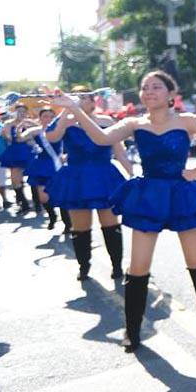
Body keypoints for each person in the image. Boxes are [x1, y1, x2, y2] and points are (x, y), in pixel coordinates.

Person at [51, 71, 196, 351]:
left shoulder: (187, 121)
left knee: (195, 260)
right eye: (145, 88)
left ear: (170, 94)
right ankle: (132, 330)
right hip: (148, 196)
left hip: (180, 194)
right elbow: (102, 139)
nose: (149, 91)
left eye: (156, 87)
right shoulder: (134, 123)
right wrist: (75, 109)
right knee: (138, 266)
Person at [45, 92, 134, 280]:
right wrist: (66, 109)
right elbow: (52, 138)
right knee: (80, 228)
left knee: (111, 224)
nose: (88, 99)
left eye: (89, 96)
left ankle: (117, 266)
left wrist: (132, 174)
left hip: (104, 175)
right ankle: (83, 266)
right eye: (82, 96)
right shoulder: (66, 120)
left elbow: (119, 151)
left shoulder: (106, 121)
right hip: (77, 178)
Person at [21, 107, 65, 229]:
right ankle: (52, 216)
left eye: (51, 116)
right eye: (45, 116)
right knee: (43, 197)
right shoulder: (35, 131)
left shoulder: (60, 129)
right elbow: (21, 138)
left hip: (58, 164)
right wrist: (19, 125)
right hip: (42, 165)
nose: (48, 119)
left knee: (61, 195)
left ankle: (67, 223)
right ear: (40, 118)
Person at [0, 103, 37, 213]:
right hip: (15, 151)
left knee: (34, 177)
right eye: (19, 111)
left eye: (23, 111)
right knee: (15, 179)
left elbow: (37, 136)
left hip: (29, 151)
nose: (21, 114)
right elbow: (8, 138)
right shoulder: (8, 123)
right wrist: (4, 134)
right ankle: (23, 202)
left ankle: (37, 202)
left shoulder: (31, 123)